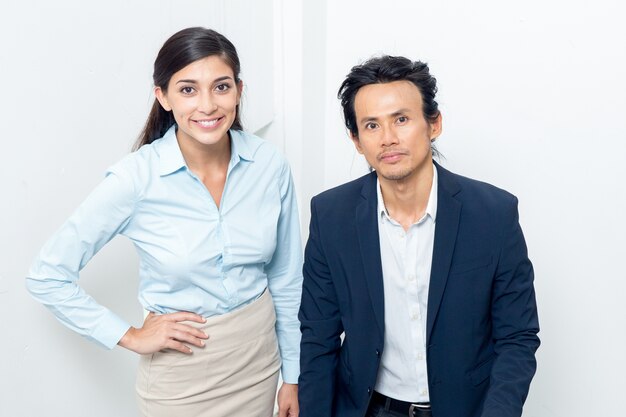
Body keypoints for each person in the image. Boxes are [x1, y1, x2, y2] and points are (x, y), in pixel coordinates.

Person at [26, 27, 301, 417]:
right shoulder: (135, 179)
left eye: (221, 87)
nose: (207, 105)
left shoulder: (269, 165)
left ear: (239, 90)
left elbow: (287, 278)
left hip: (258, 363)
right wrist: (131, 336)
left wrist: (293, 375)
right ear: (163, 97)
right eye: (188, 89)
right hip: (180, 379)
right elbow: (46, 275)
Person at [298, 55, 540, 417]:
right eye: (372, 125)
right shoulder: (331, 216)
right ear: (356, 140)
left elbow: (517, 338)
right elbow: (318, 338)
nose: (389, 138)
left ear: (434, 123)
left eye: (401, 119)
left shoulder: (493, 214)